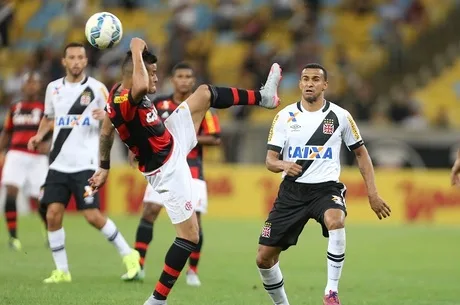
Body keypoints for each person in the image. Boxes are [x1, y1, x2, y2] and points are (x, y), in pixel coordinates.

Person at [89, 37, 281, 305]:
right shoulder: (126, 99)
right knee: (190, 236)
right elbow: (137, 89)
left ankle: (264, 97)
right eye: (152, 72)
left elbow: (107, 131)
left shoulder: (116, 93)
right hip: (165, 167)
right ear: (134, 74)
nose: (156, 78)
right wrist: (135, 47)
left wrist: (104, 167)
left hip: (170, 138)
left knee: (204, 92)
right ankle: (157, 299)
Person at [256, 63, 391, 305]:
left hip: (326, 189)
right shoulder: (285, 116)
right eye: (305, 79)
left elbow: (361, 154)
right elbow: (270, 160)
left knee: (336, 220)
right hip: (292, 191)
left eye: (316, 79)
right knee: (264, 259)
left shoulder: (340, 116)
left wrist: (373, 194)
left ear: (325, 85)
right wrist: (284, 165)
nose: (310, 83)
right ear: (299, 84)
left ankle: (331, 292)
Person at [27, 42, 140, 284]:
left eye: (80, 57)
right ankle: (62, 271)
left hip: (86, 164)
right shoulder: (53, 88)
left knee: (92, 215)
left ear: (86, 61)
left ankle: (129, 254)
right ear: (64, 61)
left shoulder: (97, 89)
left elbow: (115, 117)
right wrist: (39, 135)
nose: (76, 61)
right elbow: (49, 118)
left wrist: (106, 116)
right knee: (53, 214)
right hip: (58, 163)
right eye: (72, 57)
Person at [122, 62, 221, 286]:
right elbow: (139, 126)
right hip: (162, 167)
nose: (184, 80)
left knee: (195, 221)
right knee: (149, 211)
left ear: (193, 81)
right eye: (180, 76)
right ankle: (138, 265)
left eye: (188, 76)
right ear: (173, 80)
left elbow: (216, 137)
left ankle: (192, 271)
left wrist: (183, 138)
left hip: (192, 169)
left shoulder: (202, 108)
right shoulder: (158, 103)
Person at [0, 72, 50, 250]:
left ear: (39, 86)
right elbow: (6, 132)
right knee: (11, 190)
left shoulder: (46, 108)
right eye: (28, 83)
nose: (31, 86)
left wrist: (48, 145)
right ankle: (13, 238)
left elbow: (55, 131)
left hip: (37, 158)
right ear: (22, 86)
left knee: (41, 200)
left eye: (34, 83)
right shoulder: (15, 108)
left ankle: (48, 231)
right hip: (16, 154)